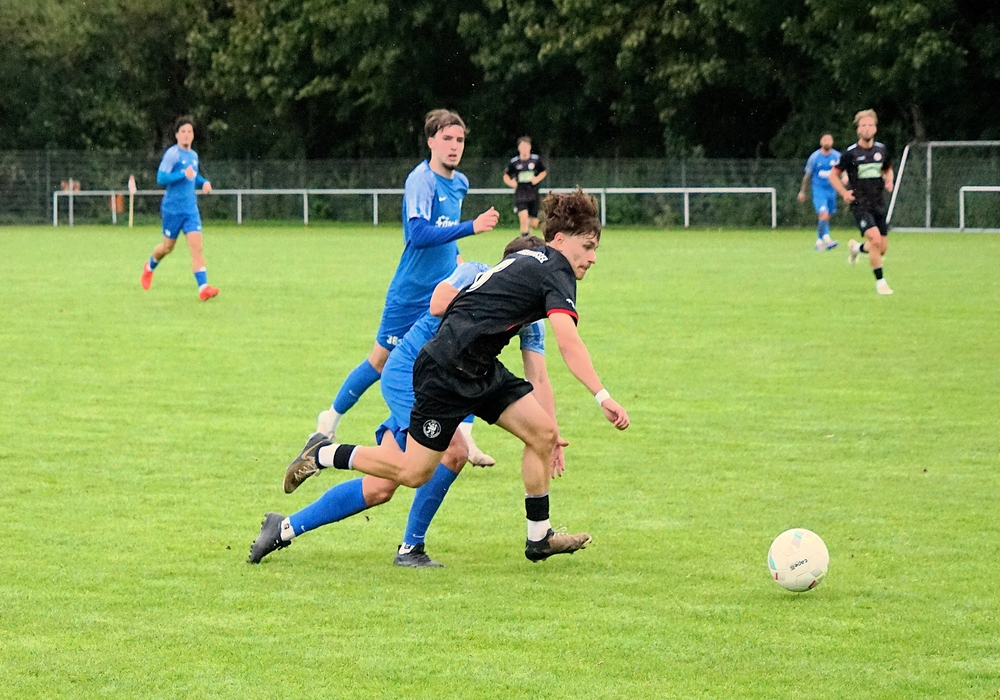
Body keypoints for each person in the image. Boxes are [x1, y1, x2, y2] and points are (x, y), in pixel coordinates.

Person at [267, 190, 629, 564]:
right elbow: (568, 341)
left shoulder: (526, 259)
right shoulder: (555, 271)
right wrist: (602, 396)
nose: (593, 257)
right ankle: (323, 453)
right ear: (560, 240)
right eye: (587, 247)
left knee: (543, 433)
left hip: (478, 367)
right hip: (444, 370)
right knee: (413, 472)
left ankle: (539, 537)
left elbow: (537, 372)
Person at [249, 236, 561, 568]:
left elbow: (538, 377)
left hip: (444, 382)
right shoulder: (476, 273)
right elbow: (438, 304)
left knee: (380, 487)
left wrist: (550, 436)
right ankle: (409, 545)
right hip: (410, 370)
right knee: (453, 451)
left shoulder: (531, 316)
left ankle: (283, 528)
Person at [314, 109, 499, 466]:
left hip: (443, 291)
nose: (454, 146)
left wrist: (458, 263)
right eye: (447, 138)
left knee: (460, 353)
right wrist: (470, 227)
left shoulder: (460, 183)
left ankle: (465, 439)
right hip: (410, 292)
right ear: (431, 141)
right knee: (380, 362)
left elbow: (444, 235)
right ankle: (330, 419)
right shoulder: (421, 180)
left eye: (460, 140)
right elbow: (419, 234)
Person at [140, 116, 219, 300]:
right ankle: (149, 266)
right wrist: (182, 173)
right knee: (167, 248)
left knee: (197, 248)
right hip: (172, 210)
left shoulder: (193, 156)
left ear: (193, 135)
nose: (186, 135)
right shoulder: (172, 154)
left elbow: (194, 176)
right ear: (177, 135)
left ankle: (203, 288)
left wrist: (204, 182)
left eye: (189, 132)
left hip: (190, 210)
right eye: (183, 131)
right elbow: (161, 178)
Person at [829, 110, 895, 295]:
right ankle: (881, 283)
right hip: (860, 204)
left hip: (878, 203)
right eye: (863, 125)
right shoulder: (851, 153)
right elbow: (833, 175)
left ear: (875, 128)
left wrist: (889, 180)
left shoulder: (881, 150)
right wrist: (844, 193)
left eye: (870, 125)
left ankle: (856, 248)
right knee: (874, 239)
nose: (867, 128)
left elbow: (888, 169)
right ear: (858, 130)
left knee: (881, 249)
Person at [797, 133, 840, 251]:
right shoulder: (814, 157)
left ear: (832, 142)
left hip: (832, 190)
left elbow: (843, 170)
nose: (827, 142)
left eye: (829, 140)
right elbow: (807, 175)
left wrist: (845, 177)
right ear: (821, 142)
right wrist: (802, 191)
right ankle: (827, 239)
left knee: (826, 217)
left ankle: (819, 241)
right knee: (823, 214)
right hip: (819, 190)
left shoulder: (837, 156)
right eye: (824, 140)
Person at [503, 137, 547, 235]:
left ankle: (528, 234)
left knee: (534, 223)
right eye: (522, 147)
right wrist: (511, 183)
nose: (524, 149)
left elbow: (543, 172)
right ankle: (525, 239)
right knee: (524, 219)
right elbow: (506, 175)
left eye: (526, 147)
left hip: (533, 193)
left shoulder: (535, 160)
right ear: (518, 148)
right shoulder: (514, 162)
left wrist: (537, 179)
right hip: (520, 194)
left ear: (530, 147)